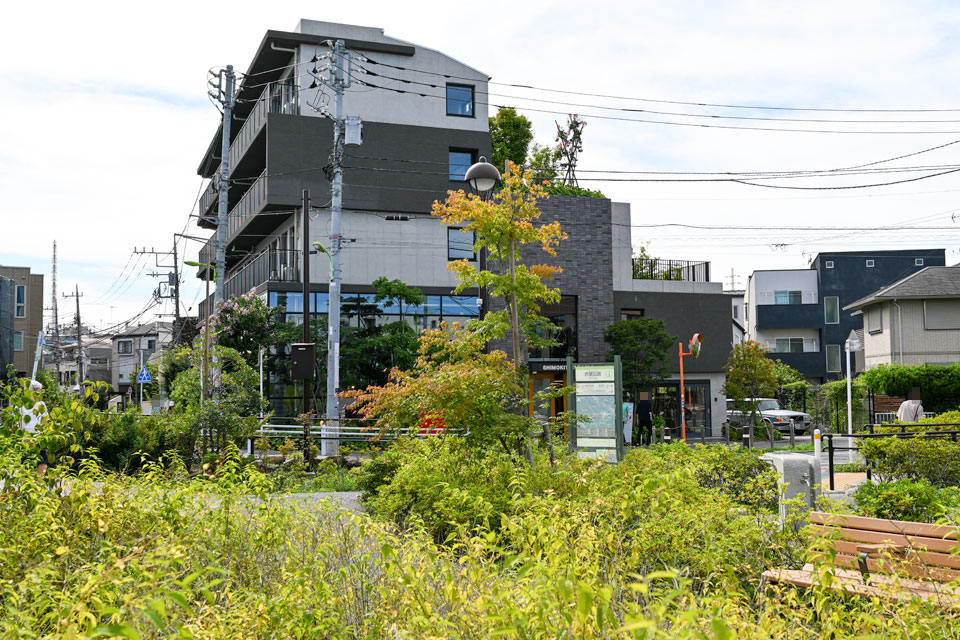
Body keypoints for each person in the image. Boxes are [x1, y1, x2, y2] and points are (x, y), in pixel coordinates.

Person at [19, 379, 49, 476]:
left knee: (43, 462)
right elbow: (15, 424)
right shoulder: (20, 405)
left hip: (39, 437)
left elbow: (45, 422)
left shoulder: (41, 404)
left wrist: (44, 434)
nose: (40, 393)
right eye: (38, 391)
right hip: (25, 439)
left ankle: (38, 484)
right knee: (25, 464)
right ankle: (27, 486)